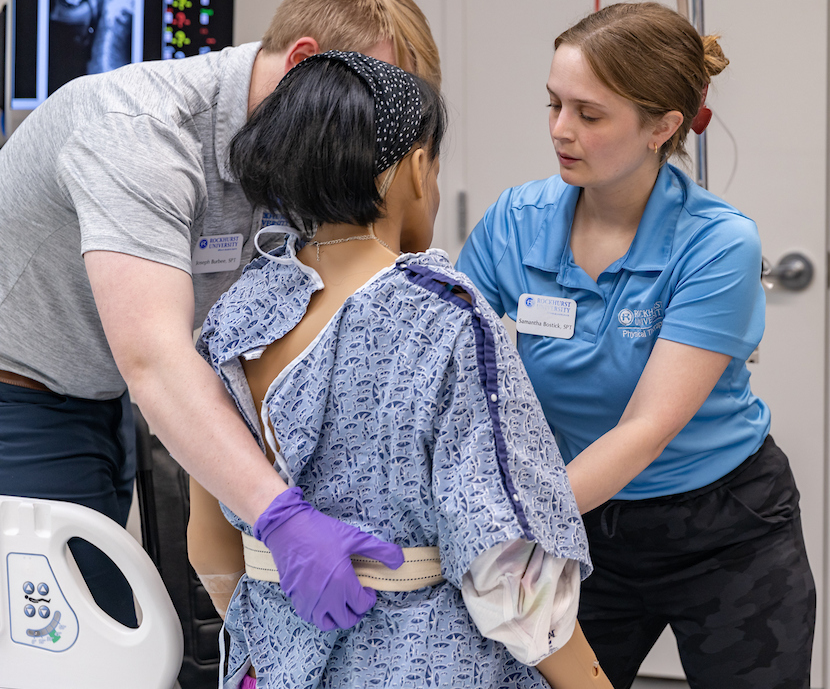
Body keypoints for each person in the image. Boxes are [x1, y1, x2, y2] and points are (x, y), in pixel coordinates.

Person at [0, 0, 438, 629]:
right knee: (74, 636)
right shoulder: (138, 132)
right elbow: (155, 359)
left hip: (109, 392)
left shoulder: (291, 152)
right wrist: (282, 517)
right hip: (24, 391)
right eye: (365, 110)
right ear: (303, 64)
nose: (368, 141)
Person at [190, 50, 610, 689]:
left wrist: (277, 636)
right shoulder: (446, 323)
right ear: (417, 169)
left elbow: (210, 542)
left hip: (265, 661)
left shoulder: (234, 315)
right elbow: (513, 584)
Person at [457, 2, 817, 689]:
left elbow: (647, 429)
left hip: (722, 529)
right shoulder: (517, 223)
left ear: (662, 127)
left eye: (590, 115)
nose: (561, 130)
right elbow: (442, 354)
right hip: (583, 522)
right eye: (554, 104)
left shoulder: (716, 244)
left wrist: (510, 525)